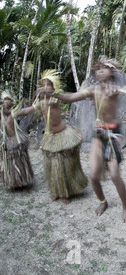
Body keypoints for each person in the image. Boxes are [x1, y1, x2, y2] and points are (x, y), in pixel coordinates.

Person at [54, 57, 126, 222]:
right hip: (99, 134)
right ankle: (103, 202)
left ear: (111, 71)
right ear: (95, 73)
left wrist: (114, 90)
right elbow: (72, 97)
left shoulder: (116, 88)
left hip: (112, 134)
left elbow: (118, 90)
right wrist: (56, 94)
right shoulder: (93, 90)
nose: (101, 71)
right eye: (98, 69)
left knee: (114, 174)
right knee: (94, 175)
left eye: (105, 68)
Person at [13, 70, 87, 203]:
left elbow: (55, 95)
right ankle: (57, 191)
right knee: (53, 167)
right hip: (50, 137)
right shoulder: (41, 103)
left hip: (63, 135)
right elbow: (27, 110)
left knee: (65, 166)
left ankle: (66, 193)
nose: (45, 87)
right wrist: (15, 113)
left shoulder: (55, 98)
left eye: (49, 84)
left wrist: (47, 92)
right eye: (43, 84)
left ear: (54, 87)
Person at [0, 91, 34, 191]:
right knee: (9, 163)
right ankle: (14, 182)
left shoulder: (14, 112)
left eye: (8, 100)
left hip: (16, 140)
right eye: (4, 100)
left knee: (21, 161)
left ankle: (24, 183)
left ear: (12, 102)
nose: (5, 102)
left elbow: (25, 111)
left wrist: (36, 106)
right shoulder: (1, 113)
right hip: (6, 141)